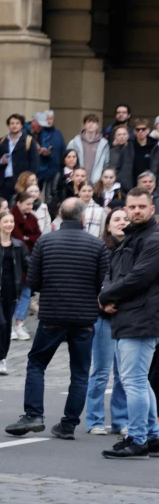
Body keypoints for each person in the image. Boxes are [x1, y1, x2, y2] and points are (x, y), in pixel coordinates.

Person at [4, 198, 108, 439]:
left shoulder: (45, 242)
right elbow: (102, 283)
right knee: (80, 372)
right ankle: (69, 424)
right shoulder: (97, 245)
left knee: (37, 363)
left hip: (53, 315)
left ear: (60, 214)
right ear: (83, 217)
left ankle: (34, 414)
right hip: (84, 318)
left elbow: (34, 281)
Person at [98, 188, 159, 458]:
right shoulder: (128, 239)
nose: (135, 211)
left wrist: (106, 295)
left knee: (133, 380)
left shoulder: (153, 239)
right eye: (131, 207)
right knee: (139, 381)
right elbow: (113, 273)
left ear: (151, 209)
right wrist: (105, 296)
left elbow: (139, 277)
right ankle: (153, 437)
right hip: (129, 316)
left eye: (141, 207)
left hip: (142, 318)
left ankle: (137, 439)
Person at [85, 209, 129, 436]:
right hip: (103, 318)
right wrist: (102, 303)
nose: (122, 222)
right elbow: (94, 282)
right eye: (117, 219)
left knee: (123, 373)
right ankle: (94, 420)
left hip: (128, 317)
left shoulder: (137, 248)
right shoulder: (101, 250)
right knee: (101, 371)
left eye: (125, 218)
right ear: (108, 225)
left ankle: (121, 420)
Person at [0, 210, 27, 376]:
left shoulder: (18, 245)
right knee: (0, 324)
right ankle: (0, 358)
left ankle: (0, 360)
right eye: (6, 221)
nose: (9, 224)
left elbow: (27, 264)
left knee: (6, 325)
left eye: (11, 221)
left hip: (12, 289)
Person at [9, 191, 41, 341]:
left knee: (26, 295)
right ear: (19, 203)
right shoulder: (11, 218)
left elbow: (38, 237)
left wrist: (28, 238)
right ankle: (9, 325)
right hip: (14, 261)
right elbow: (17, 238)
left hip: (29, 262)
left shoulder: (33, 218)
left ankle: (19, 324)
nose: (30, 206)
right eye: (27, 204)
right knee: (11, 295)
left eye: (32, 204)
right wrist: (28, 239)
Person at [0, 113, 39, 204]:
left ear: (21, 125)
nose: (14, 126)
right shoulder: (2, 140)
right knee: (4, 204)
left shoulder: (28, 140)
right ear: (8, 125)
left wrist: (30, 179)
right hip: (5, 180)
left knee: (20, 203)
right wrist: (1, 160)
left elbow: (35, 162)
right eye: (12, 123)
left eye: (17, 123)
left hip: (21, 180)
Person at [67, 114, 110, 183]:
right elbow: (68, 161)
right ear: (84, 125)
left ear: (97, 125)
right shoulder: (74, 142)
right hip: (78, 179)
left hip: (97, 180)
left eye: (94, 122)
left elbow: (106, 163)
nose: (91, 124)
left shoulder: (104, 143)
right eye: (88, 122)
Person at [31, 111, 66, 189]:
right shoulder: (36, 133)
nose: (49, 121)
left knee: (51, 195)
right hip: (39, 170)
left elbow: (63, 151)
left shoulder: (58, 133)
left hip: (54, 169)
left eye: (51, 119)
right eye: (47, 119)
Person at [109, 125, 135, 192]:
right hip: (115, 185)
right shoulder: (111, 152)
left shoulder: (133, 149)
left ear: (128, 135)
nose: (122, 136)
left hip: (131, 185)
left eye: (124, 134)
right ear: (115, 136)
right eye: (119, 134)